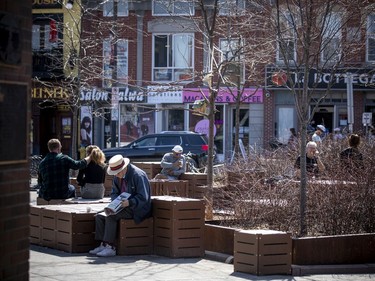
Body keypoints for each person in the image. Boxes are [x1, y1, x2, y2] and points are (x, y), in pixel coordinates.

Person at [89, 154, 152, 257]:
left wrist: (130, 202)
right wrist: (115, 203)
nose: (116, 175)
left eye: (117, 173)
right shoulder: (117, 176)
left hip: (137, 209)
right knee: (100, 216)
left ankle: (110, 247)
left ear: (124, 168)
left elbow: (143, 197)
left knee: (111, 217)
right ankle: (103, 244)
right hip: (122, 206)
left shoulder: (138, 175)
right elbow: (114, 192)